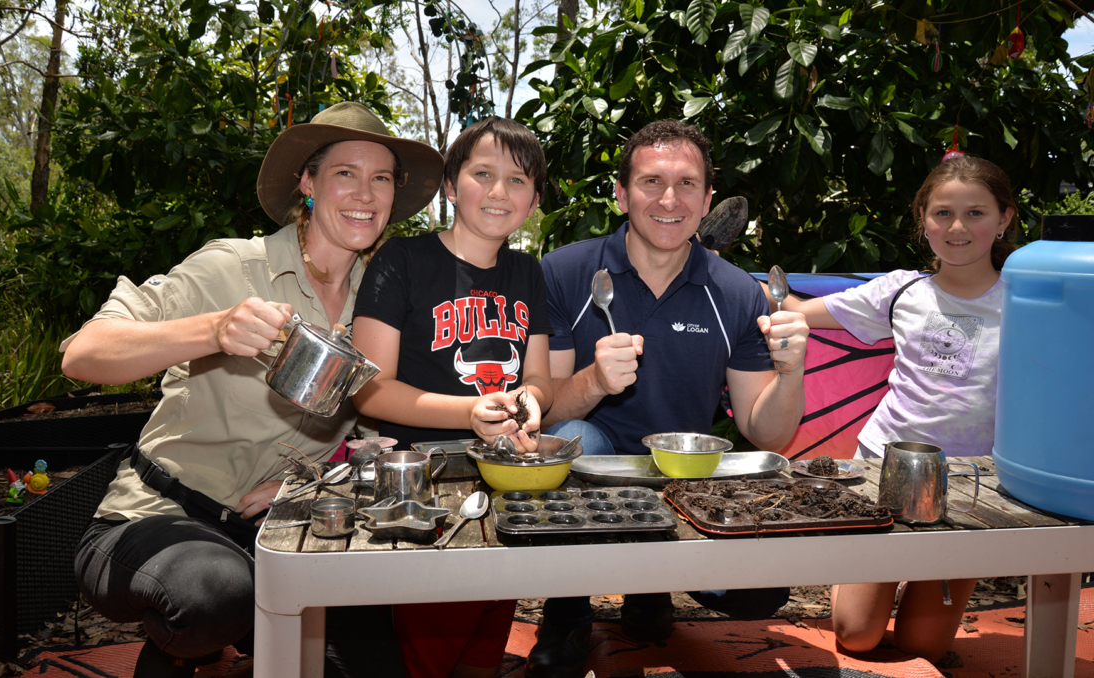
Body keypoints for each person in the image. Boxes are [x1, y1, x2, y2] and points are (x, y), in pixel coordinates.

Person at [60, 102, 444, 678]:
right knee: (212, 595)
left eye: (381, 177)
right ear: (308, 183)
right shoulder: (232, 267)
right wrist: (211, 329)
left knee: (372, 665)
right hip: (156, 517)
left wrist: (312, 480)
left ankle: (239, 647)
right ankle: (195, 646)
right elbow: (83, 354)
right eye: (346, 172)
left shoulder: (383, 304)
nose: (365, 192)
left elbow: (376, 434)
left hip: (281, 532)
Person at [528, 119, 810, 678]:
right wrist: (594, 381)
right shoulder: (566, 271)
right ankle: (567, 611)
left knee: (759, 593)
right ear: (621, 193)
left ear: (707, 200)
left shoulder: (734, 291)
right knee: (572, 441)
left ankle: (648, 582)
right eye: (651, 181)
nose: (668, 199)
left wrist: (792, 371)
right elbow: (548, 410)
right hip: (593, 468)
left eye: (686, 184)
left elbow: (767, 433)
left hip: (684, 478)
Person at [763, 155, 1016, 662]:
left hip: (972, 486)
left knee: (924, 647)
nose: (958, 227)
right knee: (856, 635)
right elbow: (790, 308)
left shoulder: (1026, 301)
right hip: (883, 468)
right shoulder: (900, 289)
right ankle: (862, 575)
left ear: (1005, 218)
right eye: (942, 212)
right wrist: (713, 266)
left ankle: (917, 584)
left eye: (976, 213)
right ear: (922, 217)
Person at [351, 116, 553, 678]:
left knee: (487, 638)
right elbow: (368, 388)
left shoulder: (526, 273)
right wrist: (467, 413)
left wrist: (533, 401)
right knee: (429, 649)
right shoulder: (402, 261)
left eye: (518, 181)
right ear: (449, 184)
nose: (497, 192)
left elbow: (537, 377)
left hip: (506, 476)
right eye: (482, 173)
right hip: (426, 483)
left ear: (534, 200)